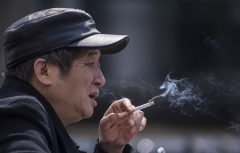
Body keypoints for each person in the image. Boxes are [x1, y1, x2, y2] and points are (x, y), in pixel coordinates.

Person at [0, 8, 146, 153]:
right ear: (44, 71)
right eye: (89, 63)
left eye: (99, 64)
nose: (101, 80)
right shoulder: (18, 114)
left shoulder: (36, 123)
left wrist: (110, 148)